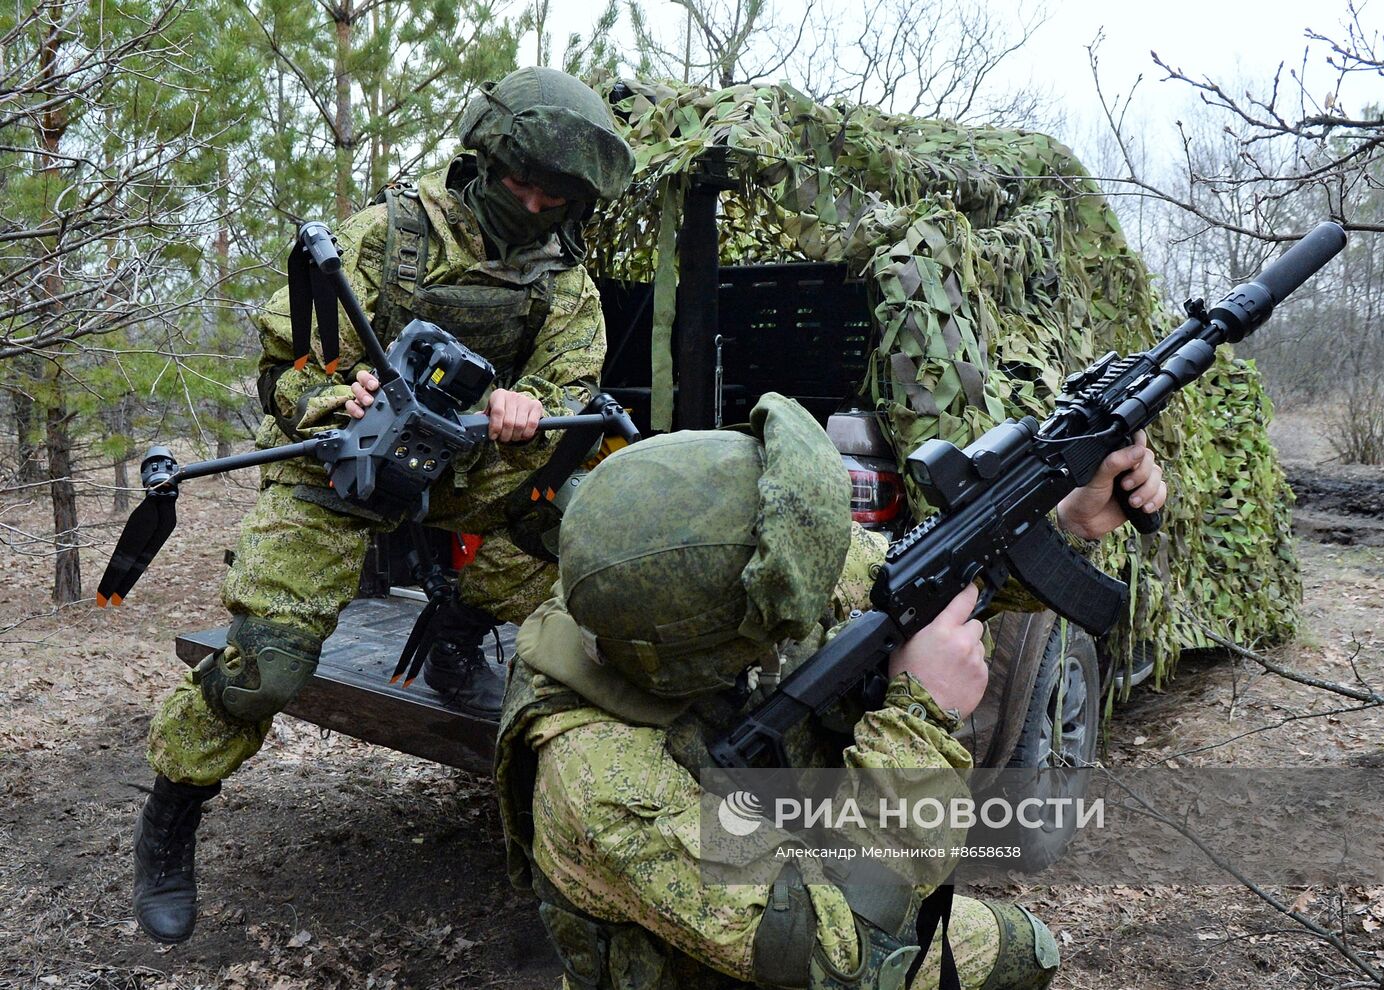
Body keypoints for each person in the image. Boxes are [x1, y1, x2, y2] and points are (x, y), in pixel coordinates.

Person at [131, 67, 635, 944]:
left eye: (556, 195)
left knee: (602, 562)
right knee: (269, 670)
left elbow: (568, 381)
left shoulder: (567, 284)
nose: (535, 203)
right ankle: (174, 812)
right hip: (343, 466)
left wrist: (532, 406)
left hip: (467, 467)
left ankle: (459, 616)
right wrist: (335, 398)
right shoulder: (387, 237)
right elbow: (284, 368)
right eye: (522, 182)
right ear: (486, 159)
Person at [494, 393, 1166, 989]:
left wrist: (1062, 520)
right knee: (1003, 950)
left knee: (1019, 946)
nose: (813, 598)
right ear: (728, 644)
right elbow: (849, 952)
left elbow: (894, 585)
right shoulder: (600, 783)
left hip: (787, 852)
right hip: (729, 945)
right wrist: (920, 716)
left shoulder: (671, 579)